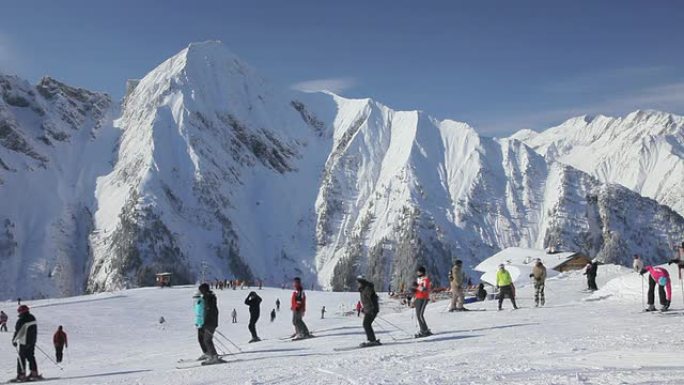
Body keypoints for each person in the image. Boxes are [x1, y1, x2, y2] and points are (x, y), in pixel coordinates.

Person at [12, 305, 40, 381]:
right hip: (32, 341)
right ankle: (34, 373)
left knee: (21, 357)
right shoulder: (32, 317)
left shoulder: (21, 320)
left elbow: (18, 331)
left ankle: (21, 375)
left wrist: (14, 340)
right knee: (31, 356)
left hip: (24, 342)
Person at [197, 283, 221, 364]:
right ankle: (212, 355)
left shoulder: (208, 298)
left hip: (209, 322)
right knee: (206, 339)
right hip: (212, 322)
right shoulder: (210, 297)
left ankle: (213, 357)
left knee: (207, 340)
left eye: (201, 290)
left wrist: (205, 322)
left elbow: (208, 311)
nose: (200, 292)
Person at [357, 276, 380, 347]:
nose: (358, 284)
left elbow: (373, 298)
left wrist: (373, 308)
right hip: (369, 309)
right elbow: (367, 301)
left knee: (366, 324)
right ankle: (372, 339)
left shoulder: (367, 289)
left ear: (362, 282)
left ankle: (372, 340)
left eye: (359, 283)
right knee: (367, 324)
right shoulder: (363, 289)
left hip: (371, 309)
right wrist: (364, 308)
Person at [413, 266, 432, 338]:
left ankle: (424, 330)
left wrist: (416, 287)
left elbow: (425, 289)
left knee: (420, 315)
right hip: (418, 298)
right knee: (418, 315)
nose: (417, 273)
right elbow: (417, 288)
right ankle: (425, 329)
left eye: (418, 271)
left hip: (423, 298)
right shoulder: (419, 279)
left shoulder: (425, 279)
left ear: (422, 272)